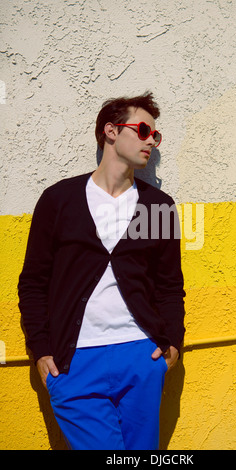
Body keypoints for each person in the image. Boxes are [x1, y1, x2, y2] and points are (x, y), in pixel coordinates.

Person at [18, 91, 186, 450]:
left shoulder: (159, 206)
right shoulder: (59, 200)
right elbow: (33, 282)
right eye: (143, 130)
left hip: (140, 356)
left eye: (155, 135)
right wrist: (41, 348)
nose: (151, 142)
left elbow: (170, 285)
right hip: (74, 360)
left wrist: (171, 344)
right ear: (111, 131)